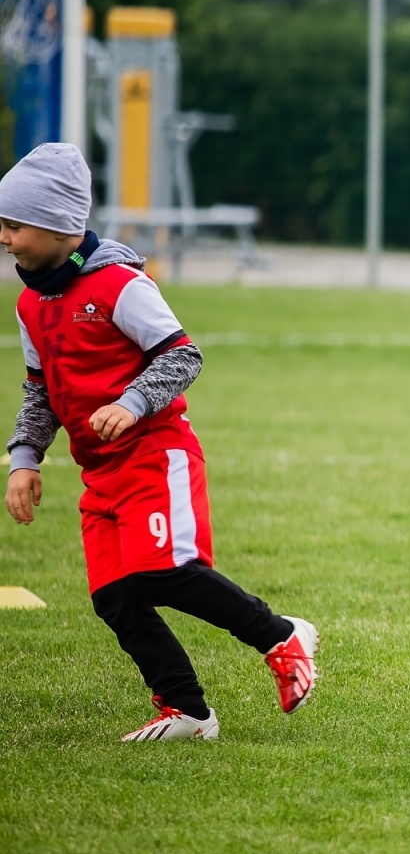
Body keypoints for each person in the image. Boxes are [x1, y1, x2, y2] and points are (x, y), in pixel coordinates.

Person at [1, 143, 319, 742]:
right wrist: (25, 458)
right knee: (115, 595)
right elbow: (40, 391)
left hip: (156, 452)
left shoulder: (121, 285)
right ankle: (188, 712)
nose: (4, 238)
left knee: (167, 570)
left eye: (14, 225)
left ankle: (281, 635)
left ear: (60, 225)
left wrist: (130, 402)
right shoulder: (28, 303)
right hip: (100, 474)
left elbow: (181, 355)